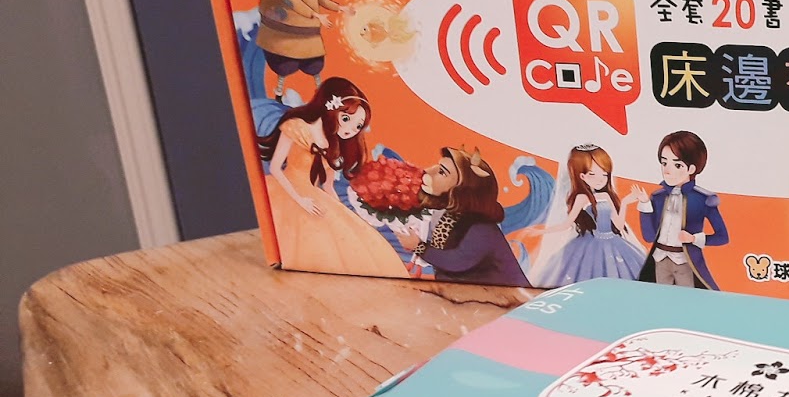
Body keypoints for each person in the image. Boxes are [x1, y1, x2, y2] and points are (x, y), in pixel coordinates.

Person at [255, 76, 409, 278]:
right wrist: (300, 200)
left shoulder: (334, 144)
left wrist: (346, 217)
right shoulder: (298, 126)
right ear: (331, 108)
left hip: (314, 196)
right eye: (346, 119)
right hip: (288, 190)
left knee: (351, 243)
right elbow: (275, 168)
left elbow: (328, 187)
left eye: (358, 126)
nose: (350, 130)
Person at [395, 147, 528, 286]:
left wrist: (419, 247)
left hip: (506, 295)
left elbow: (456, 262)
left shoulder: (481, 228)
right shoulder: (447, 213)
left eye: (442, 172)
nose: (428, 172)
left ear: (462, 188)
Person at [530, 144, 648, 283]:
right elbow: (566, 224)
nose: (600, 179)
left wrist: (626, 202)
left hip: (614, 243)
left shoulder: (606, 196)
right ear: (582, 176)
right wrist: (541, 231)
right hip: (589, 245)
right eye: (592, 174)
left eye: (604, 174)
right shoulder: (582, 198)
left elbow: (619, 225)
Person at [630, 131, 728, 289]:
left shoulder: (703, 199)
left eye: (677, 165)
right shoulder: (658, 197)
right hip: (660, 259)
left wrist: (694, 239)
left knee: (687, 298)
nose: (667, 170)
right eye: (664, 163)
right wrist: (645, 205)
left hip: (685, 260)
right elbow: (649, 236)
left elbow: (722, 237)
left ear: (691, 169)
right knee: (660, 297)